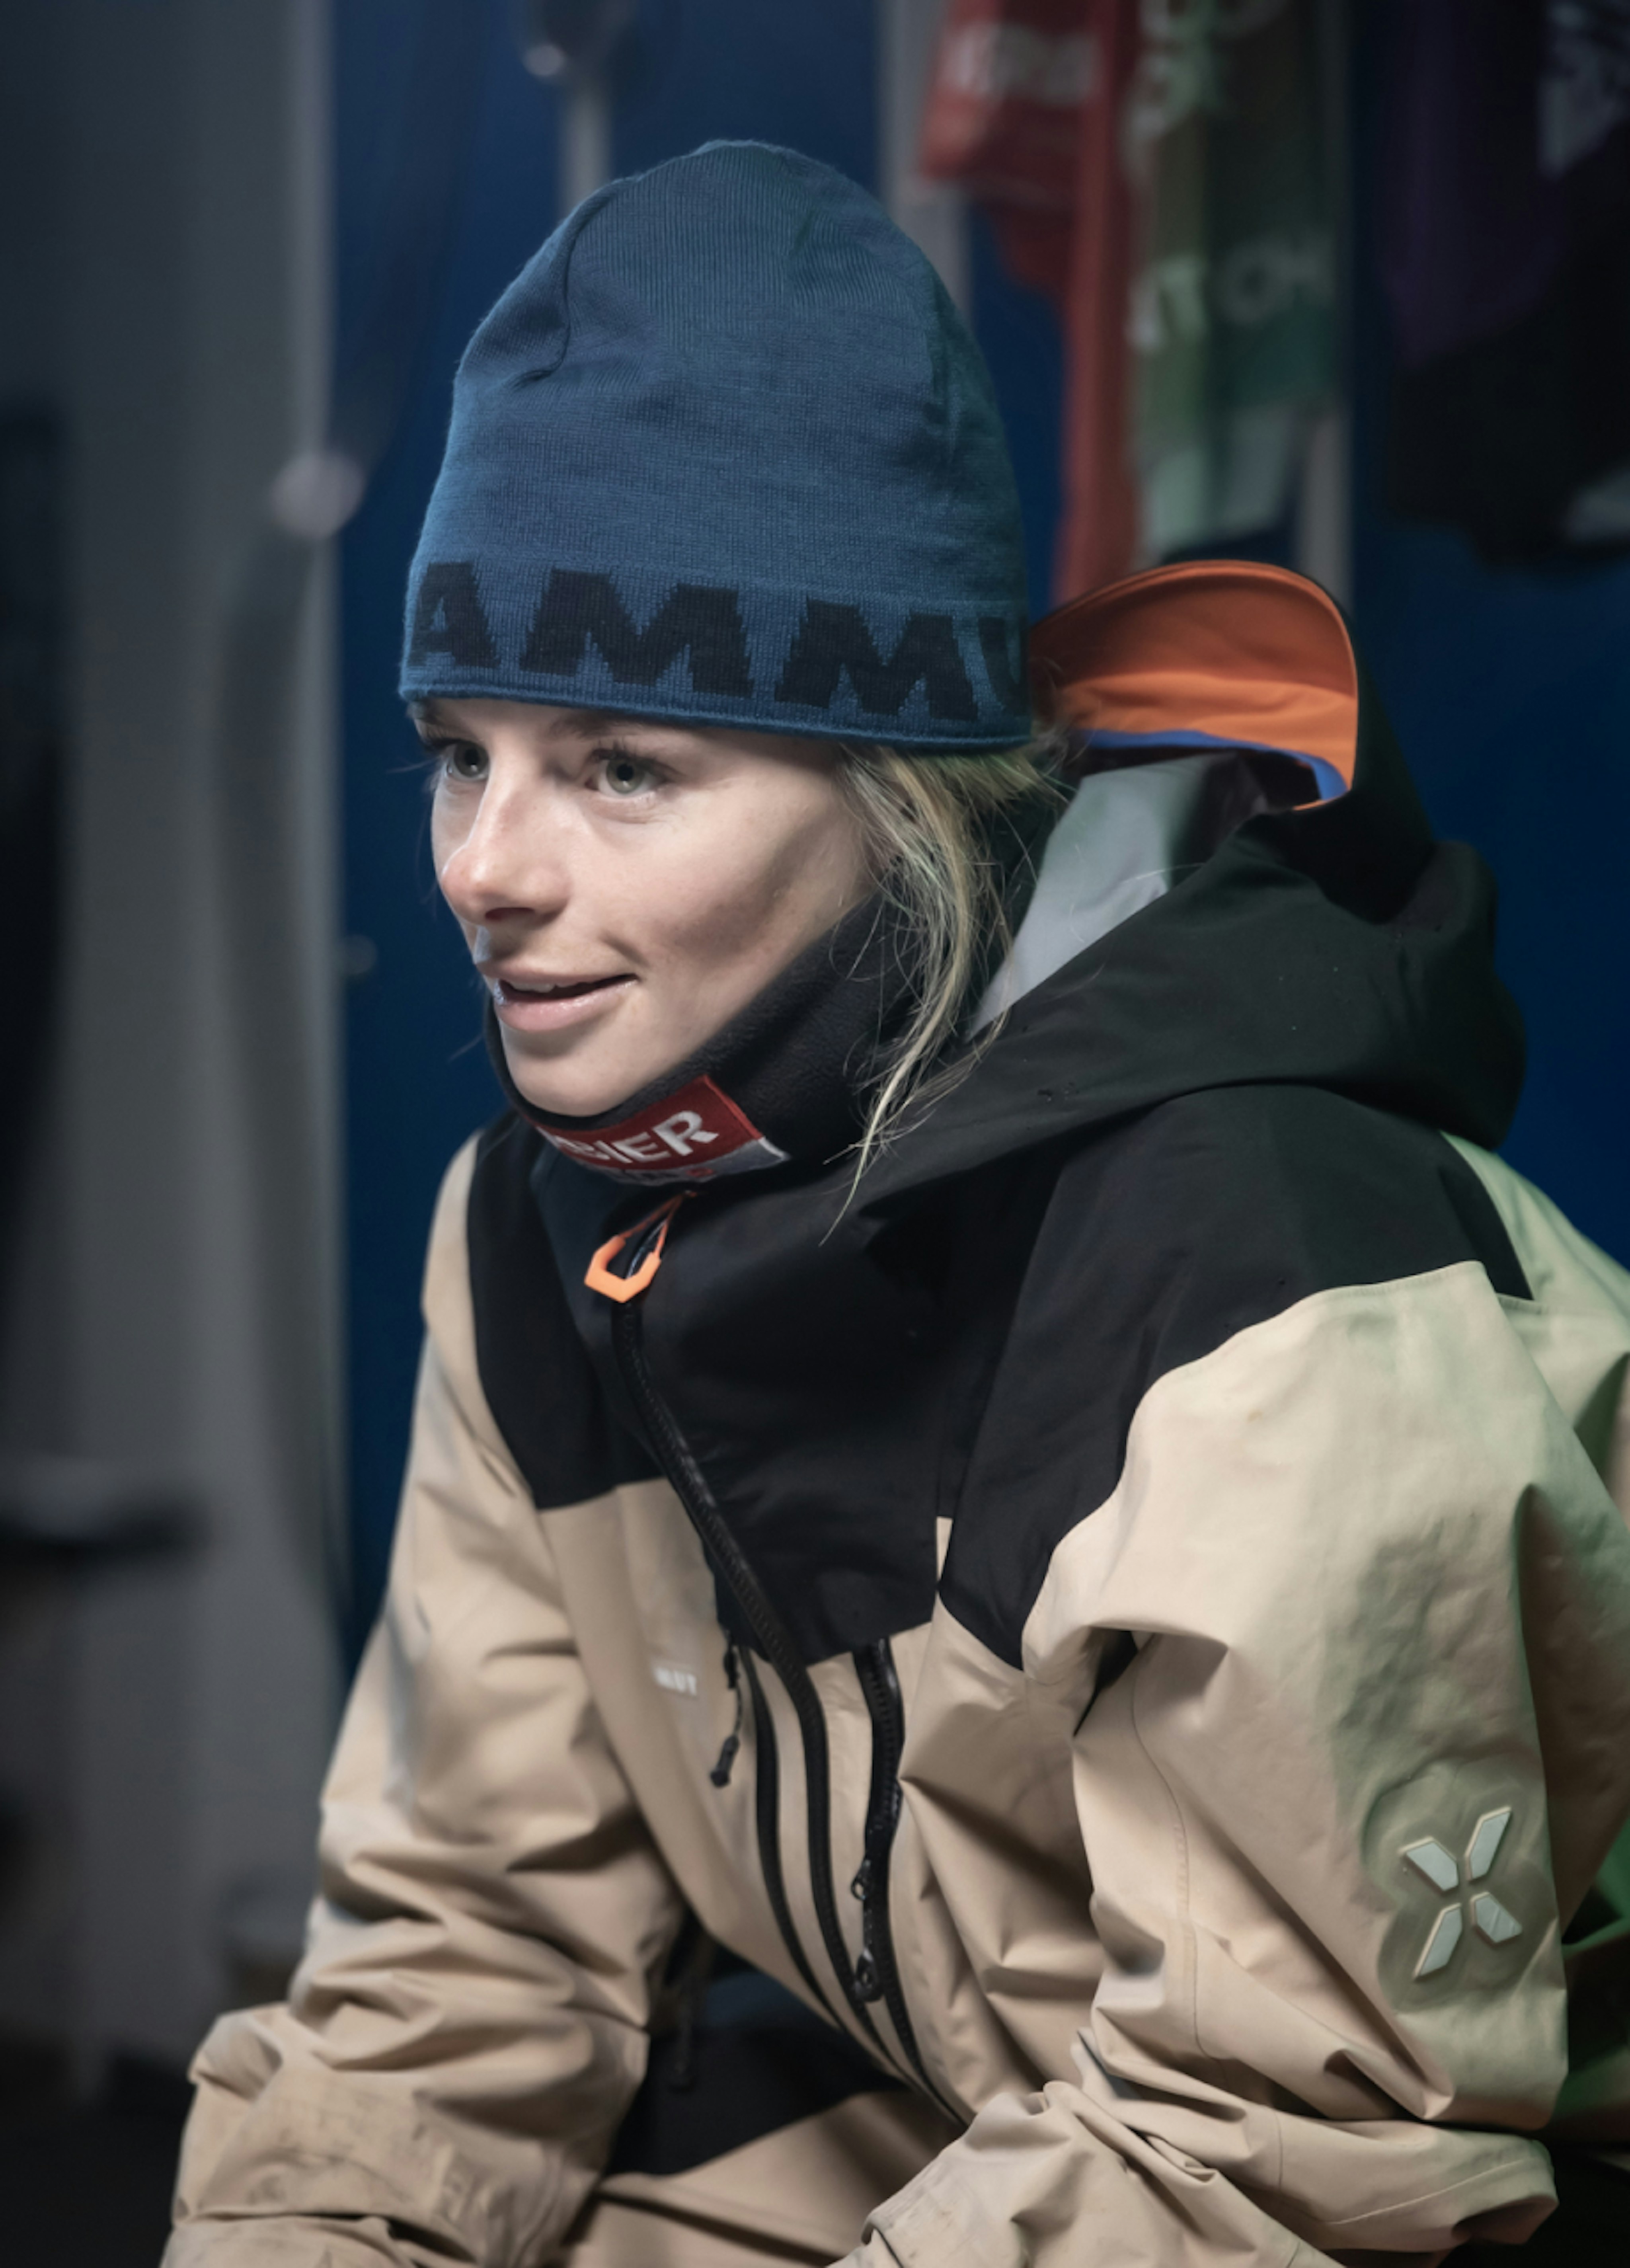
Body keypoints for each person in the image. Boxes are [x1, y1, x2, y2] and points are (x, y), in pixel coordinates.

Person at [166, 143, 1630, 2268]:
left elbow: (1285, 2158)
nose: (486, 863)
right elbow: (463, 1972)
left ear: (898, 790)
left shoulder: (1267, 1269)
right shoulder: (536, 1230)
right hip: (1026, 2105)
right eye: (458, 754)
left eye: (620, 766)